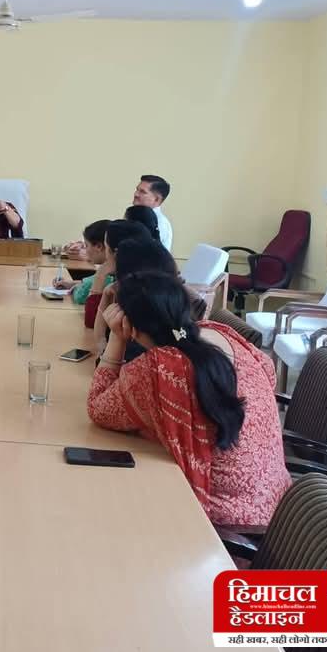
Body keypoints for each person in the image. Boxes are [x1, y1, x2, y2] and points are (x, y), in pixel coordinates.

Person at [87, 272, 289, 526]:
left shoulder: (159, 369)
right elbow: (268, 373)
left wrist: (116, 339)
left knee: (106, 502)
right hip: (281, 508)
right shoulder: (222, 332)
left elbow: (98, 408)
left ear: (129, 325)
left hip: (227, 524)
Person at [85, 220, 151, 332]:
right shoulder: (138, 278)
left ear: (116, 253)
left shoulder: (134, 290)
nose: (106, 254)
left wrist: (100, 276)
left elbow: (91, 321)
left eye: (106, 247)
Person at [52, 220, 110, 305]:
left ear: (99, 246)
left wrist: (75, 289)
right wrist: (72, 283)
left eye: (86, 245)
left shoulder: (107, 271)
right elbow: (90, 283)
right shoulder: (109, 267)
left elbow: (81, 296)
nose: (85, 250)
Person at [133, 175, 173, 252]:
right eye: (137, 190)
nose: (136, 194)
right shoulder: (135, 217)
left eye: (142, 192)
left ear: (157, 199)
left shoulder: (159, 223)